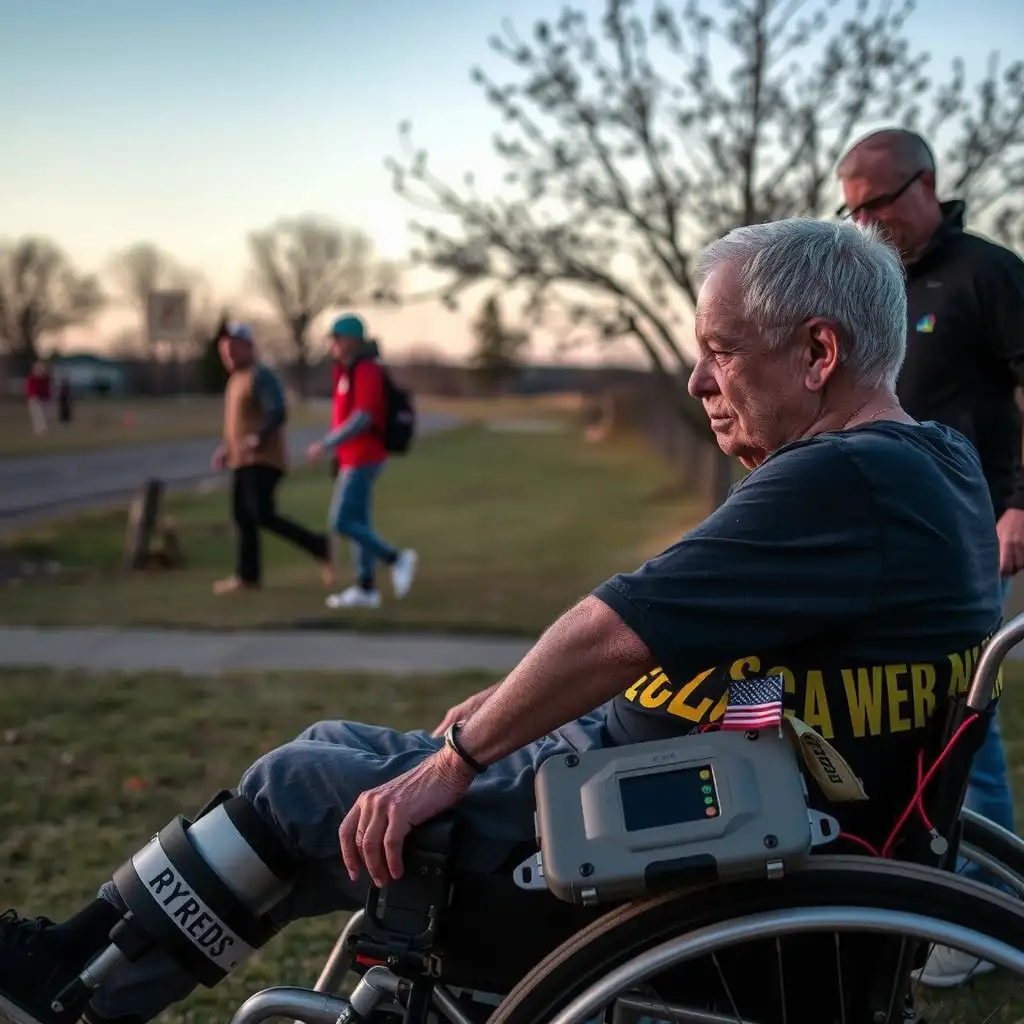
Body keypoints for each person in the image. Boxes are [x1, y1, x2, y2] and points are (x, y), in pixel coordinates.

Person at [0, 219, 1002, 1024]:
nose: (697, 381)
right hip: (700, 802)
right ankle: (88, 957)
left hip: (651, 859)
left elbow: (616, 627)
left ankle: (80, 986)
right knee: (331, 756)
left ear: (818, 351)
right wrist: (522, 718)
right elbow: (783, 668)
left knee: (305, 782)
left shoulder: (838, 476)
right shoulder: (938, 463)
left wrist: (465, 755)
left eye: (719, 352)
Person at [837, 127, 1024, 988]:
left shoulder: (986, 274)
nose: (865, 221)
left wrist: (1020, 501)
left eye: (876, 203)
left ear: (927, 184)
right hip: (884, 538)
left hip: (972, 524)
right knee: (897, 710)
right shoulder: (873, 286)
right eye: (851, 208)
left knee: (963, 721)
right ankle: (918, 887)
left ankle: (985, 914)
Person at [209, 321, 332, 595]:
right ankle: (248, 577)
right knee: (243, 516)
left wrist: (259, 437)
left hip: (264, 459)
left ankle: (319, 545)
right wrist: (226, 449)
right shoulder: (235, 380)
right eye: (223, 351)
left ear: (248, 347)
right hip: (242, 460)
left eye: (232, 350)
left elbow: (277, 410)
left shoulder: (259, 376)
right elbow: (237, 423)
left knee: (260, 514)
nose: (227, 356)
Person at [307, 314, 417, 610]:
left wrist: (328, 443)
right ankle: (366, 588)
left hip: (364, 456)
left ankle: (397, 558)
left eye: (336, 338)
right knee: (359, 522)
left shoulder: (366, 369)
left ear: (351, 340)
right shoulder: (344, 370)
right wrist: (337, 453)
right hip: (350, 457)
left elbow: (364, 417)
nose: (332, 343)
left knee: (341, 521)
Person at [24, 361, 52, 436]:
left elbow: (47, 389)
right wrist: (33, 396)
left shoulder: (45, 378)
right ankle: (40, 430)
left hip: (44, 399)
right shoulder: (31, 378)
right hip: (34, 399)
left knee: (44, 415)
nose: (41, 370)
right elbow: (29, 389)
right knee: (38, 415)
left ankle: (42, 429)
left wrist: (49, 398)